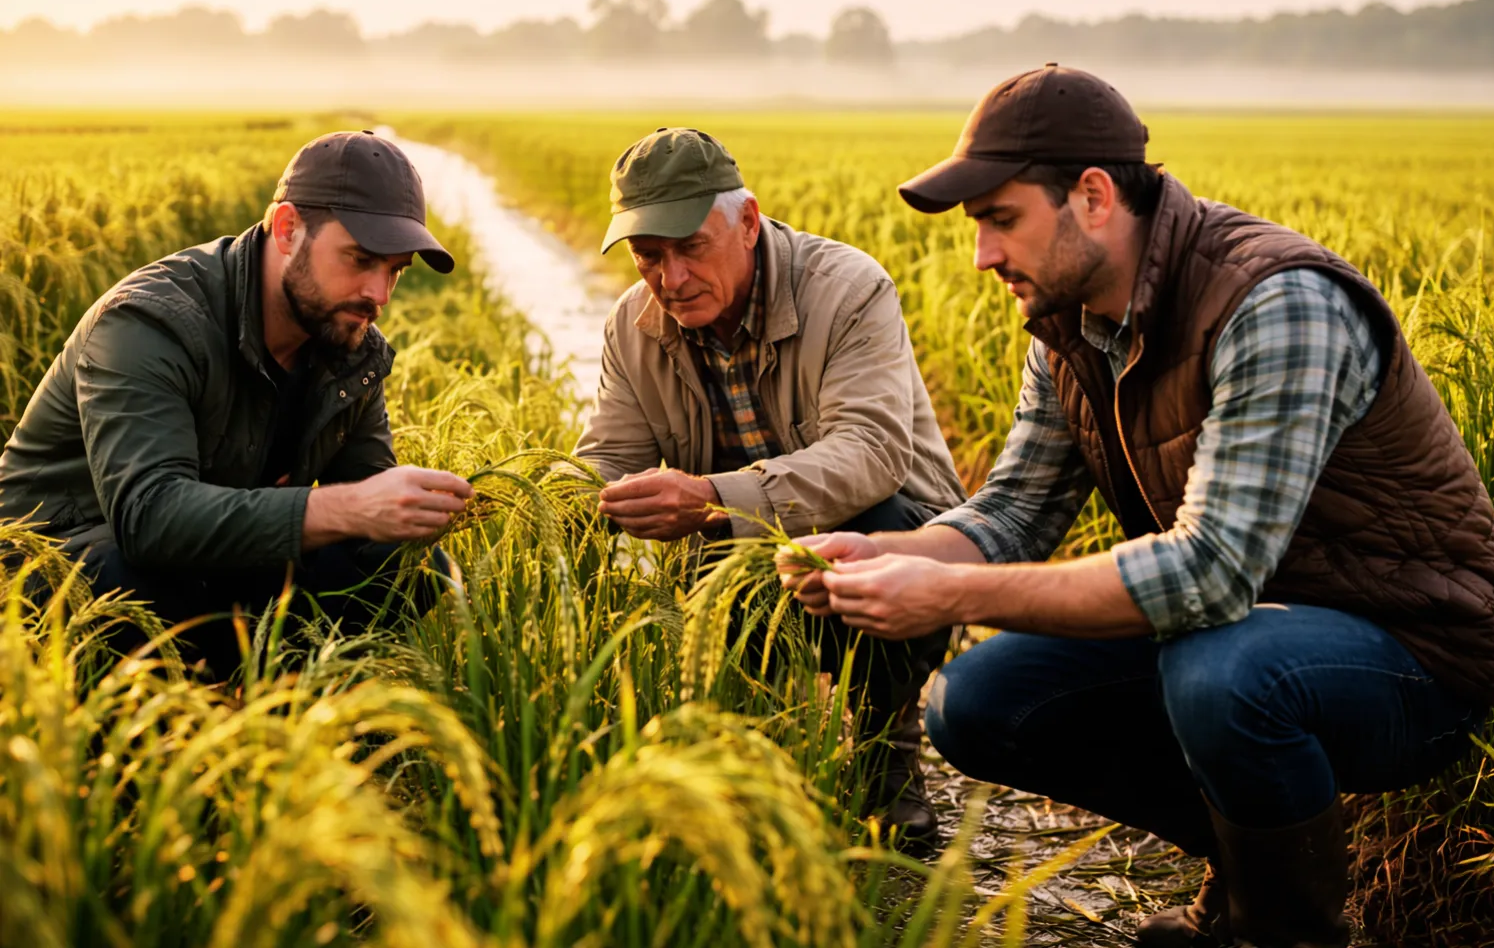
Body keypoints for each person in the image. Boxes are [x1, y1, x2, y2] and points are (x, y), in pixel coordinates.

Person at [779, 66, 1494, 947]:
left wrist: (949, 597)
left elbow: (1209, 572)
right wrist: (886, 557)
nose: (981, 256)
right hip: (1240, 627)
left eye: (1000, 220)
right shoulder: (1068, 327)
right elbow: (1013, 513)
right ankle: (1245, 885)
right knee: (976, 701)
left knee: (1226, 674)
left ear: (1092, 197)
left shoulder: (1276, 302)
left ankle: (1282, 934)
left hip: (1414, 649)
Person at [573, 127, 967, 841]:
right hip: (739, 544)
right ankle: (761, 764)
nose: (672, 278)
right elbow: (610, 455)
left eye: (691, 247)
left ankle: (887, 760)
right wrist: (554, 499)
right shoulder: (632, 326)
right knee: (711, 587)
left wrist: (714, 499)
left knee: (874, 533)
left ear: (747, 222)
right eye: (648, 255)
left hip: (893, 532)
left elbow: (872, 453)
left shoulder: (847, 289)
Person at [0, 131, 475, 679]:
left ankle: (271, 695)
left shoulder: (348, 350)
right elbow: (150, 518)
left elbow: (373, 512)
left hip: (206, 564)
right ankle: (150, 719)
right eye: (361, 259)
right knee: (136, 576)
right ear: (288, 229)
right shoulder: (150, 321)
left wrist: (417, 511)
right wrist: (348, 507)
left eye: (394, 270)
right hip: (57, 569)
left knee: (407, 567)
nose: (380, 293)